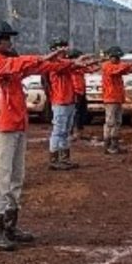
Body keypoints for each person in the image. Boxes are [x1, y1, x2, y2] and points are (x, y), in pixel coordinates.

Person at [0, 20, 68, 252]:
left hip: (16, 124)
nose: (10, 42)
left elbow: (35, 67)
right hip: (4, 126)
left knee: (16, 177)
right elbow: (22, 63)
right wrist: (45, 57)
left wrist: (54, 61)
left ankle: (10, 225)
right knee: (2, 178)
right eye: (7, 38)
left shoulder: (9, 64)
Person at [45, 37, 96, 170]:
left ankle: (64, 158)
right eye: (62, 47)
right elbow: (71, 64)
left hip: (68, 100)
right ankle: (55, 159)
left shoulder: (64, 63)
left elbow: (75, 65)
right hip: (60, 101)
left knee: (65, 131)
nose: (65, 49)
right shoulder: (54, 64)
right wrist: (81, 59)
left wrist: (84, 60)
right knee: (59, 131)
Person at [100, 47, 132, 155]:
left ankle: (114, 145)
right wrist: (131, 63)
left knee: (117, 122)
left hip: (117, 98)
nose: (118, 59)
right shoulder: (107, 66)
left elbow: (127, 70)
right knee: (110, 122)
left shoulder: (116, 66)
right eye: (117, 57)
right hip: (110, 98)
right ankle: (108, 145)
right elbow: (119, 70)